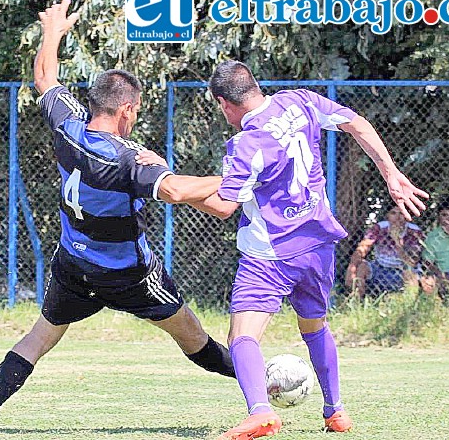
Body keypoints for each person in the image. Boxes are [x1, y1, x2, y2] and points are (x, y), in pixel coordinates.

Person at [0, 0, 235, 435]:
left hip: (75, 265)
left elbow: (45, 76)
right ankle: (257, 383)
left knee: (39, 339)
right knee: (193, 337)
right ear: (126, 109)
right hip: (130, 275)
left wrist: (53, 31)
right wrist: (239, 173)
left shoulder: (68, 125)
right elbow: (179, 191)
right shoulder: (129, 160)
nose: (137, 115)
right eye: (137, 108)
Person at [140, 61, 428, 438]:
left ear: (224, 103)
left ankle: (260, 411)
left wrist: (172, 180)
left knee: (242, 336)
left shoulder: (246, 143)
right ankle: (335, 411)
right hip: (318, 245)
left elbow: (224, 207)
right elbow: (356, 123)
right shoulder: (300, 102)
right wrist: (390, 173)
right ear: (255, 86)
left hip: (269, 254)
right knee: (314, 327)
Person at [345, 206, 424, 298]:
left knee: (410, 274)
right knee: (362, 267)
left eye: (401, 213)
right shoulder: (380, 227)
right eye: (393, 213)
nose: (398, 217)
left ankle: (408, 307)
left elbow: (412, 262)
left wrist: (397, 242)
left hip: (402, 270)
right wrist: (352, 266)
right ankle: (357, 302)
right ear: (388, 215)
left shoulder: (414, 231)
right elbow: (363, 247)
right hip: (380, 267)